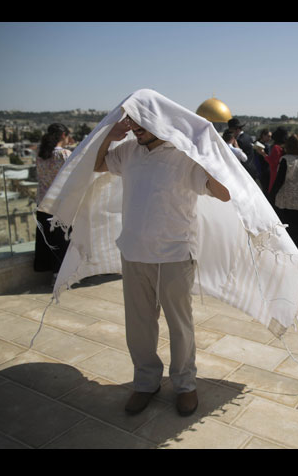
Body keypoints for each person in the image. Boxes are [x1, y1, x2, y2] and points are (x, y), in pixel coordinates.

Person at [93, 114, 231, 417]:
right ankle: (145, 383)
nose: (135, 129)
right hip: (133, 253)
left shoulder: (184, 155)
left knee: (180, 326)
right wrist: (110, 134)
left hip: (174, 255)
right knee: (139, 325)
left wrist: (204, 152)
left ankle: (185, 385)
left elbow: (223, 193)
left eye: (140, 124)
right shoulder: (128, 150)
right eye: (132, 124)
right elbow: (97, 164)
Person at [34, 123, 74, 283]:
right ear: (64, 135)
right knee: (62, 240)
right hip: (60, 204)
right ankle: (61, 276)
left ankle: (53, 273)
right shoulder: (65, 154)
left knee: (49, 240)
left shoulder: (40, 154)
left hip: (43, 203)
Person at [268, 134, 298, 252]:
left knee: (286, 243)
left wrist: (269, 199)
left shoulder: (286, 160)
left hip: (287, 208)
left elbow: (278, 182)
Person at [266, 127, 288, 193]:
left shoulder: (276, 147)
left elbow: (273, 163)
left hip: (275, 174)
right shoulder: (286, 146)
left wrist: (264, 154)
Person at [253, 128, 272, 193]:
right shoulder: (267, 146)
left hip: (257, 170)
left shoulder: (256, 143)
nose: (270, 138)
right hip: (265, 170)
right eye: (268, 136)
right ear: (263, 135)